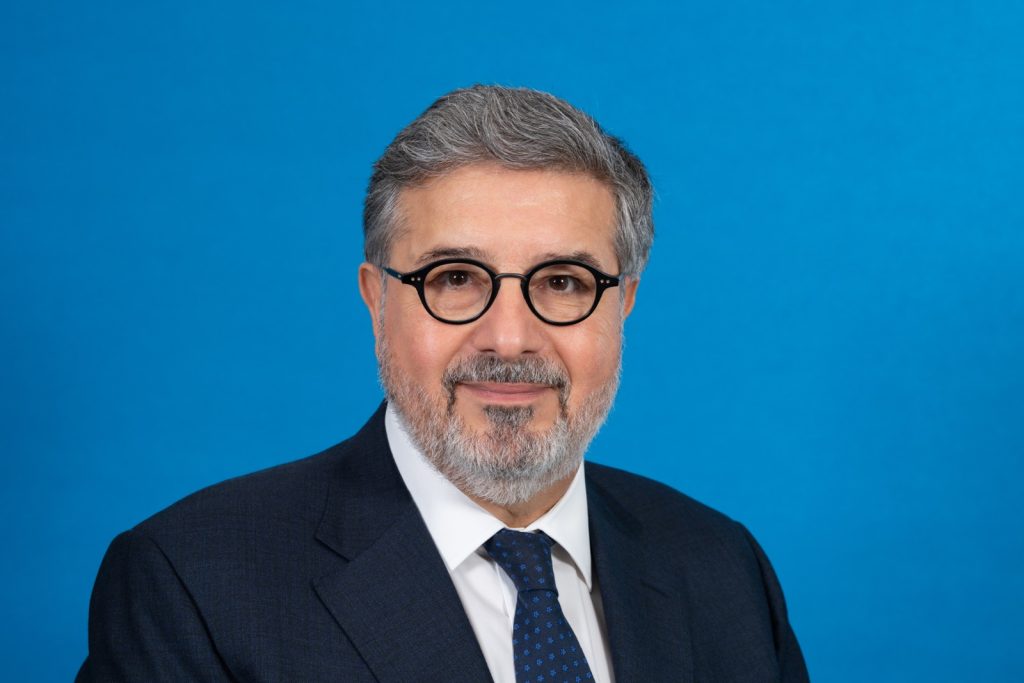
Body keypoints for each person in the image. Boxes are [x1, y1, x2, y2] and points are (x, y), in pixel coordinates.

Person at [78, 85, 809, 682]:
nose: (509, 338)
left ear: (624, 306)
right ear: (377, 301)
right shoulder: (194, 584)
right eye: (455, 278)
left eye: (563, 281)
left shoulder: (722, 569)